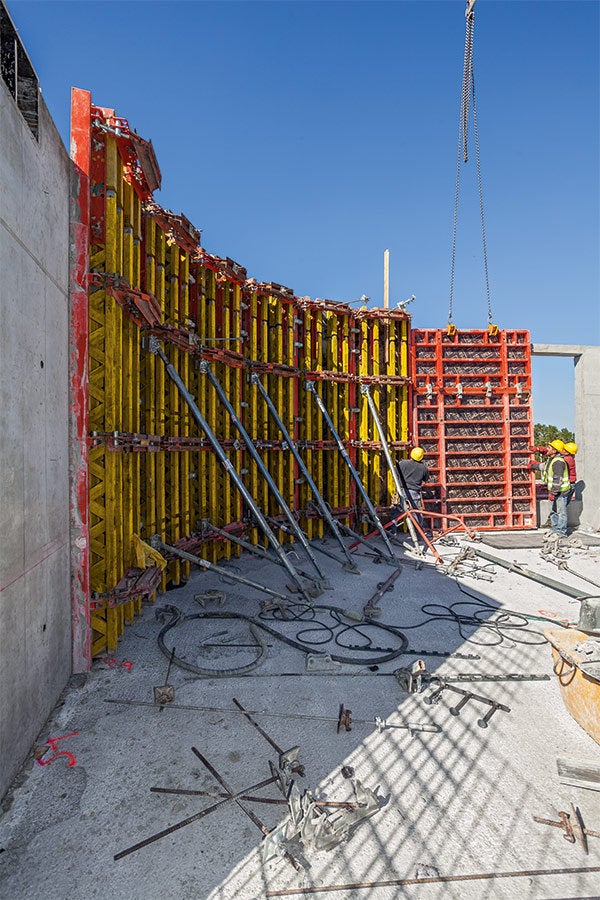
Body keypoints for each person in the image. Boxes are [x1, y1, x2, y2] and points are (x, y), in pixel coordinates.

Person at [541, 440, 571, 537]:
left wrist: (553, 493)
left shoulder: (558, 462)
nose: (547, 449)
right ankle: (555, 530)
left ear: (554, 451)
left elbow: (558, 479)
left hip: (561, 492)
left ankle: (561, 532)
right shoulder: (551, 459)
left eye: (549, 447)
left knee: (561, 512)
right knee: (553, 511)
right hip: (554, 490)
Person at [396, 447, 429, 530]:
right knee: (416, 515)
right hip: (414, 493)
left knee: (396, 513)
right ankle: (419, 535)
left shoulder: (402, 463)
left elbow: (396, 474)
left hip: (402, 491)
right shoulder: (424, 468)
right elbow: (424, 482)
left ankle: (393, 532)